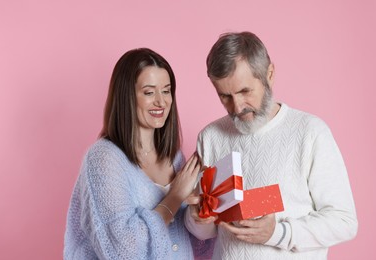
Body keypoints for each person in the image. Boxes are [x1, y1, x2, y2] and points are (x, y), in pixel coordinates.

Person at [185, 31, 358, 259]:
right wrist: (197, 218)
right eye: (224, 96)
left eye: (245, 91)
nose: (237, 107)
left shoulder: (310, 132)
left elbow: (344, 221)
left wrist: (278, 232)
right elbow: (206, 231)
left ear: (269, 74)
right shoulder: (210, 137)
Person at [64, 48, 206, 259]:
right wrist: (175, 197)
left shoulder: (175, 158)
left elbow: (188, 241)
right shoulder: (104, 159)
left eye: (166, 91)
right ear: (127, 97)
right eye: (149, 92)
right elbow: (123, 250)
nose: (161, 101)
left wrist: (200, 215)